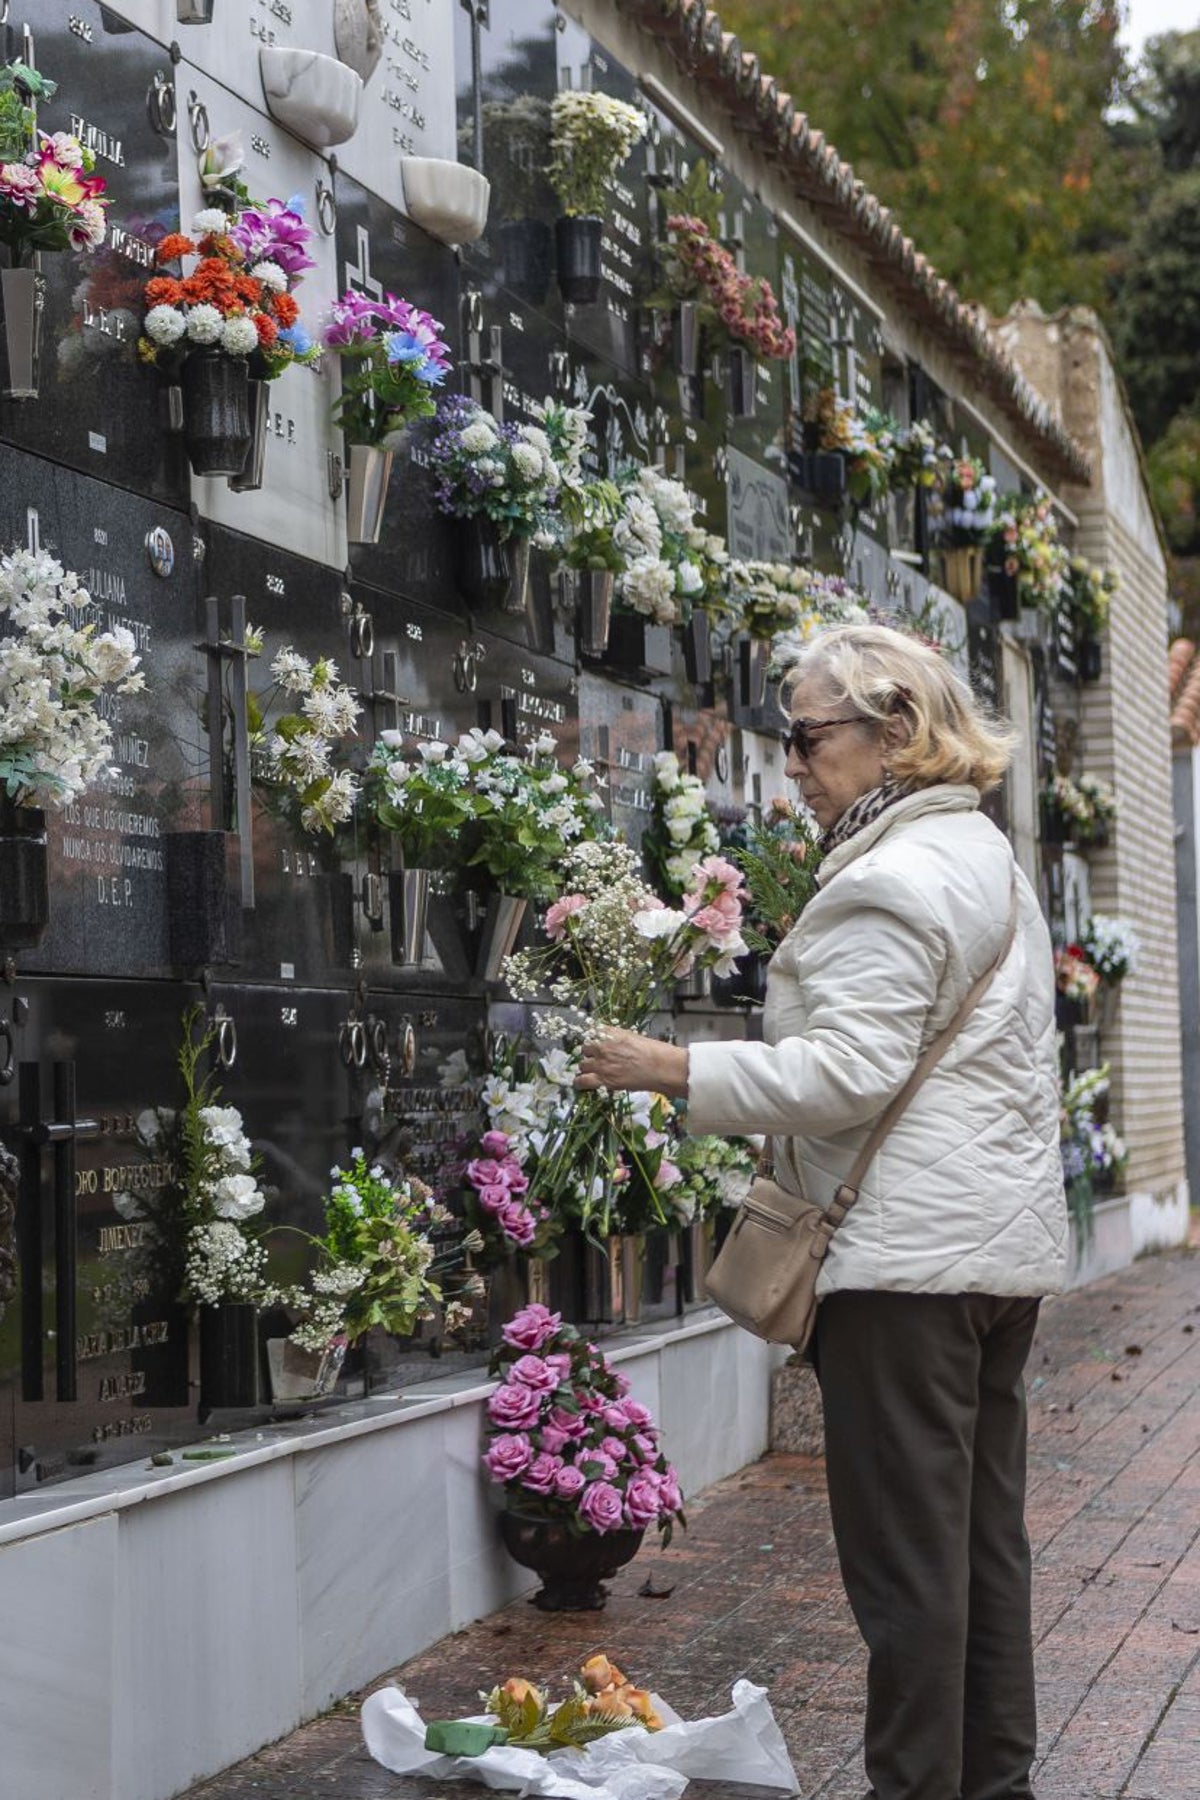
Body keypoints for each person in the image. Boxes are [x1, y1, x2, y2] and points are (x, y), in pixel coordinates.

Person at [577, 622, 1066, 1800]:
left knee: (907, 1577)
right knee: (979, 1554)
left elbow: (848, 1070)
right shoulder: (983, 859)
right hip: (991, 1258)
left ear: (894, 731)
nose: (790, 764)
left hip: (906, 1271)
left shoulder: (891, 878)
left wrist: (675, 1068)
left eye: (806, 737)